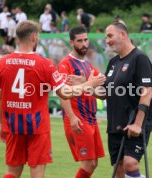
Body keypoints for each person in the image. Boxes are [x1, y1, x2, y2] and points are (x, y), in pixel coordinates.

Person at [0, 20, 106, 178]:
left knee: (12, 172)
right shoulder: (45, 64)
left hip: (13, 125)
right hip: (37, 127)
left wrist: (2, 125)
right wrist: (89, 84)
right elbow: (65, 93)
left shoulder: (3, 62)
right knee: (37, 173)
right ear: (34, 37)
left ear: (17, 38)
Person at [102, 22, 152, 178]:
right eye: (106, 37)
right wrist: (84, 85)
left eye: (110, 35)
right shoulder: (113, 62)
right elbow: (104, 92)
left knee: (130, 163)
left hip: (134, 124)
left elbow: (146, 93)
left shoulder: (140, 58)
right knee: (119, 169)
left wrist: (138, 124)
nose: (107, 40)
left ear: (123, 35)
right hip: (114, 123)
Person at [57, 26, 105, 178]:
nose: (84, 44)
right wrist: (71, 117)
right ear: (72, 42)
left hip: (91, 119)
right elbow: (63, 94)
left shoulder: (88, 65)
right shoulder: (66, 64)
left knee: (94, 163)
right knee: (88, 163)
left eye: (86, 40)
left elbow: (103, 93)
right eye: (80, 41)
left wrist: (86, 83)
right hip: (78, 118)